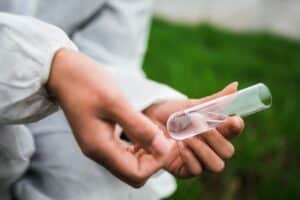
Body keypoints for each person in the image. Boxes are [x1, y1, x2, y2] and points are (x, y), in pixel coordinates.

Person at [0, 0, 244, 199]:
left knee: (100, 184)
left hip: (60, 102)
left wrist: (143, 108)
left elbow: (110, 55)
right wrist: (53, 68)